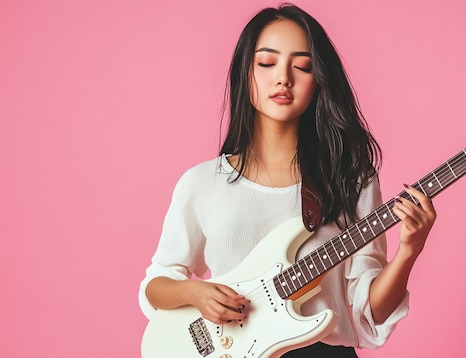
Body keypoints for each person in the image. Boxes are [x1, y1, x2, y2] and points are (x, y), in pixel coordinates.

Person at [139, 3, 436, 357]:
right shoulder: (203, 183)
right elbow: (156, 285)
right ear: (245, 73)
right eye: (266, 63)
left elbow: (368, 314)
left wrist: (409, 250)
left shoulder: (351, 179)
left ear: (318, 80)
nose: (283, 78)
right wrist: (194, 293)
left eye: (302, 66)